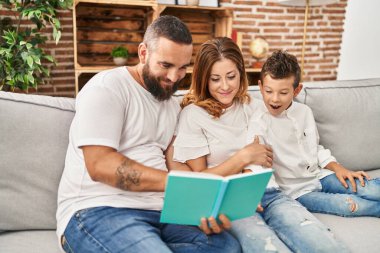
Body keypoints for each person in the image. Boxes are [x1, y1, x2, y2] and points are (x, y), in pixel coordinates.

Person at [56, 16, 245, 253]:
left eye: (183, 67)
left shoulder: (172, 106)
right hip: (99, 210)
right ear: (143, 53)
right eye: (165, 65)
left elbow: (174, 161)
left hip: (164, 213)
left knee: (227, 247)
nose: (174, 77)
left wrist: (200, 205)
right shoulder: (107, 88)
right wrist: (178, 184)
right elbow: (99, 164)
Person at [167, 37, 350, 252]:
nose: (225, 86)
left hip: (271, 192)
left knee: (319, 240)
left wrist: (328, 166)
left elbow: (293, 134)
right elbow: (202, 181)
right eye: (215, 79)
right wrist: (243, 157)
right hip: (230, 200)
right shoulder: (193, 115)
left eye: (231, 76)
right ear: (203, 79)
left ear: (241, 74)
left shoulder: (252, 105)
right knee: (266, 245)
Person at [247, 50, 380, 217]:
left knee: (369, 188)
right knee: (350, 206)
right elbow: (255, 166)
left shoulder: (304, 112)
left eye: (283, 93)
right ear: (260, 87)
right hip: (297, 192)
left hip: (320, 176)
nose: (274, 99)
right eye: (268, 91)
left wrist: (339, 168)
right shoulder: (258, 123)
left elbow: (315, 149)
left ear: (296, 91)